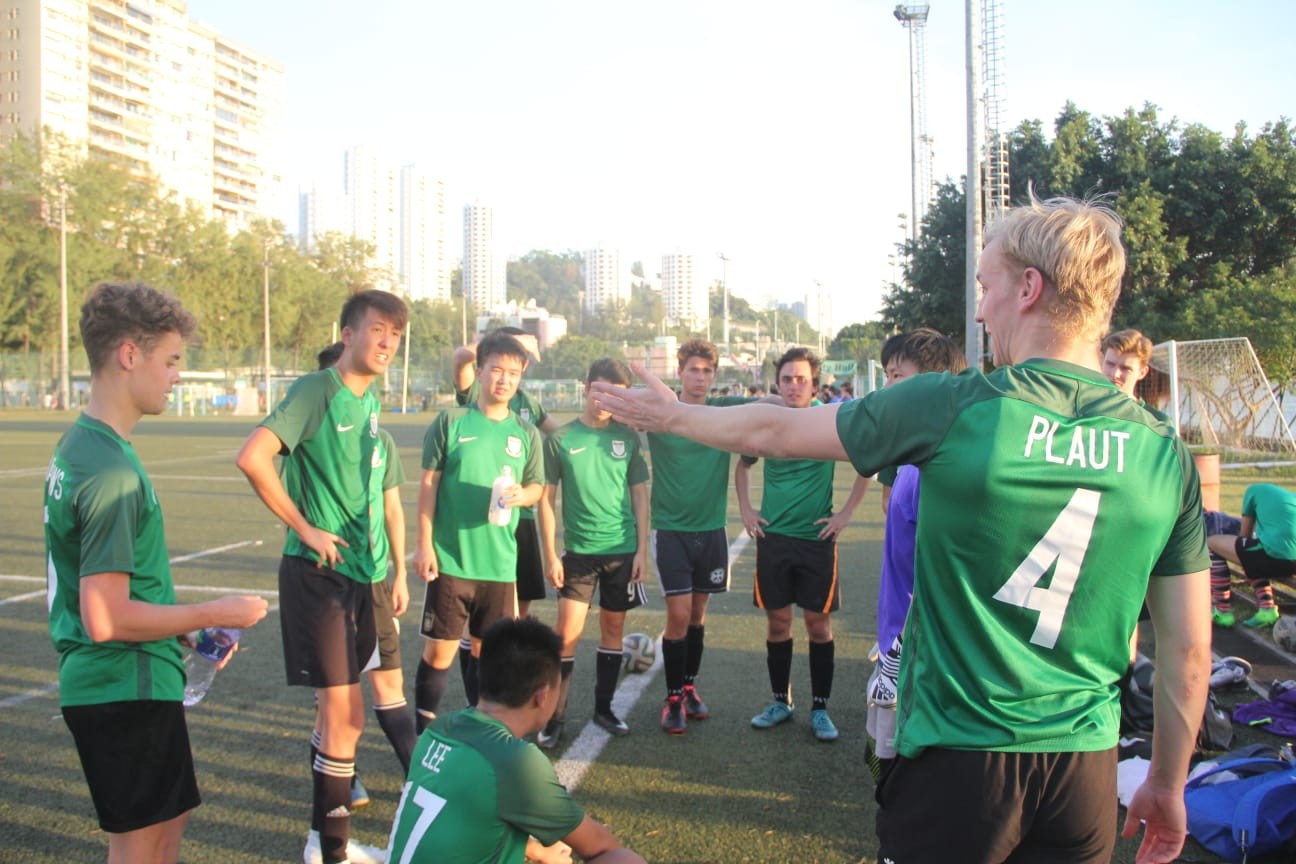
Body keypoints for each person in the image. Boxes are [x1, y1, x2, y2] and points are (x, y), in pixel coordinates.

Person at [590, 194, 1211, 864]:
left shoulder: (956, 406)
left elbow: (778, 429)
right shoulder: (1163, 453)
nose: (979, 310)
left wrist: (675, 416)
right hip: (1084, 772)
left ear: (1029, 288)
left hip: (959, 760)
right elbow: (1187, 653)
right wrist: (1167, 781)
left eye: (986, 287)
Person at [47, 282, 268, 864]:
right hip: (122, 682)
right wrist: (216, 612)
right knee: (143, 845)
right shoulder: (108, 468)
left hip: (133, 678)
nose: (175, 376)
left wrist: (179, 627)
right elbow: (104, 616)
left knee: (167, 825)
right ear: (128, 355)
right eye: (170, 360)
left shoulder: (87, 445)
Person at [235, 289, 409, 864]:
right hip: (319, 575)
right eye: (378, 330)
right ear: (349, 333)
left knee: (345, 716)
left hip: (360, 576)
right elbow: (254, 456)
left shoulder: (369, 398)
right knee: (344, 716)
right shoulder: (316, 390)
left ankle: (323, 844)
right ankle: (329, 853)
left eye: (396, 336)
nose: (387, 343)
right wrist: (305, 528)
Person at [386, 617, 646, 864]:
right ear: (542, 695)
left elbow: (456, 812)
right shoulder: (514, 761)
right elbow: (602, 846)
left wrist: (534, 849)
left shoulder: (440, 728)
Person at [734, 346, 869, 743]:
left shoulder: (829, 422)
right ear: (777, 383)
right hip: (773, 539)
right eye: (787, 379)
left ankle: (821, 708)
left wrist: (844, 514)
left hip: (816, 541)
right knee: (777, 623)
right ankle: (781, 701)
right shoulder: (767, 423)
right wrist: (746, 509)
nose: (794, 386)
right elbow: (743, 466)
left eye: (801, 380)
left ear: (814, 384)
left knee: (817, 624)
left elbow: (867, 464)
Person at [413, 331, 544, 731]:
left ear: (521, 377)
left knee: (489, 655)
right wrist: (424, 545)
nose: (504, 380)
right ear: (481, 371)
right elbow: (429, 484)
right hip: (452, 559)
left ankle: (481, 729)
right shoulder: (452, 421)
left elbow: (538, 486)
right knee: (439, 654)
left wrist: (523, 495)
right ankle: (423, 734)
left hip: (501, 565)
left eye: (513, 373)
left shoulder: (525, 434)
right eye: (496, 370)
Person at [315, 342, 417, 808]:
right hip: (328, 579)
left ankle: (418, 782)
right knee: (336, 699)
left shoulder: (380, 439)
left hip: (374, 578)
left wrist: (399, 573)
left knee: (389, 684)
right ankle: (339, 784)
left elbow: (393, 507)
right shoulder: (309, 439)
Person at [863, 329, 967, 780]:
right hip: (899, 643)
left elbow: (945, 569)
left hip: (919, 659)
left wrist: (903, 646)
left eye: (896, 376)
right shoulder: (912, 456)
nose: (887, 389)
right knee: (880, 768)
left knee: (902, 779)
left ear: (934, 381)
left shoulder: (939, 467)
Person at [535, 359, 649, 747]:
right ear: (586, 387)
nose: (604, 399)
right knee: (566, 635)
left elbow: (639, 494)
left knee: (613, 630)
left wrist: (642, 551)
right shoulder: (560, 439)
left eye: (614, 393)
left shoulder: (628, 438)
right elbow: (546, 500)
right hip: (579, 555)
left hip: (621, 551)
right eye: (599, 389)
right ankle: (555, 717)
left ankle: (604, 709)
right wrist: (551, 554)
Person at [648, 339, 753, 734]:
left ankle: (689, 687)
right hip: (671, 529)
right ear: (680, 372)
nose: (701, 377)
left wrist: (803, 404)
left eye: (707, 371)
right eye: (694, 369)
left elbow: (770, 409)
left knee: (697, 616)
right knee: (677, 615)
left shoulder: (722, 412)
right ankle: (672, 696)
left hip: (711, 531)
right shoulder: (664, 412)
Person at [451, 327, 558, 702]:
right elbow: (460, 361)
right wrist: (491, 347)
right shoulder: (475, 392)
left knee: (518, 611)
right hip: (482, 529)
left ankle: (510, 688)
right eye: (503, 365)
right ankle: (477, 696)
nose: (508, 376)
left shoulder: (527, 404)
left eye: (518, 366)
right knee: (480, 623)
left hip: (522, 521)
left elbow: (555, 434)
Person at [1206, 483, 1296, 629]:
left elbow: (1244, 536)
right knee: (1253, 550)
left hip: (1276, 558)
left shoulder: (1253, 491)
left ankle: (1222, 611)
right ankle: (1266, 609)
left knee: (1212, 543)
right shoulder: (1291, 499)